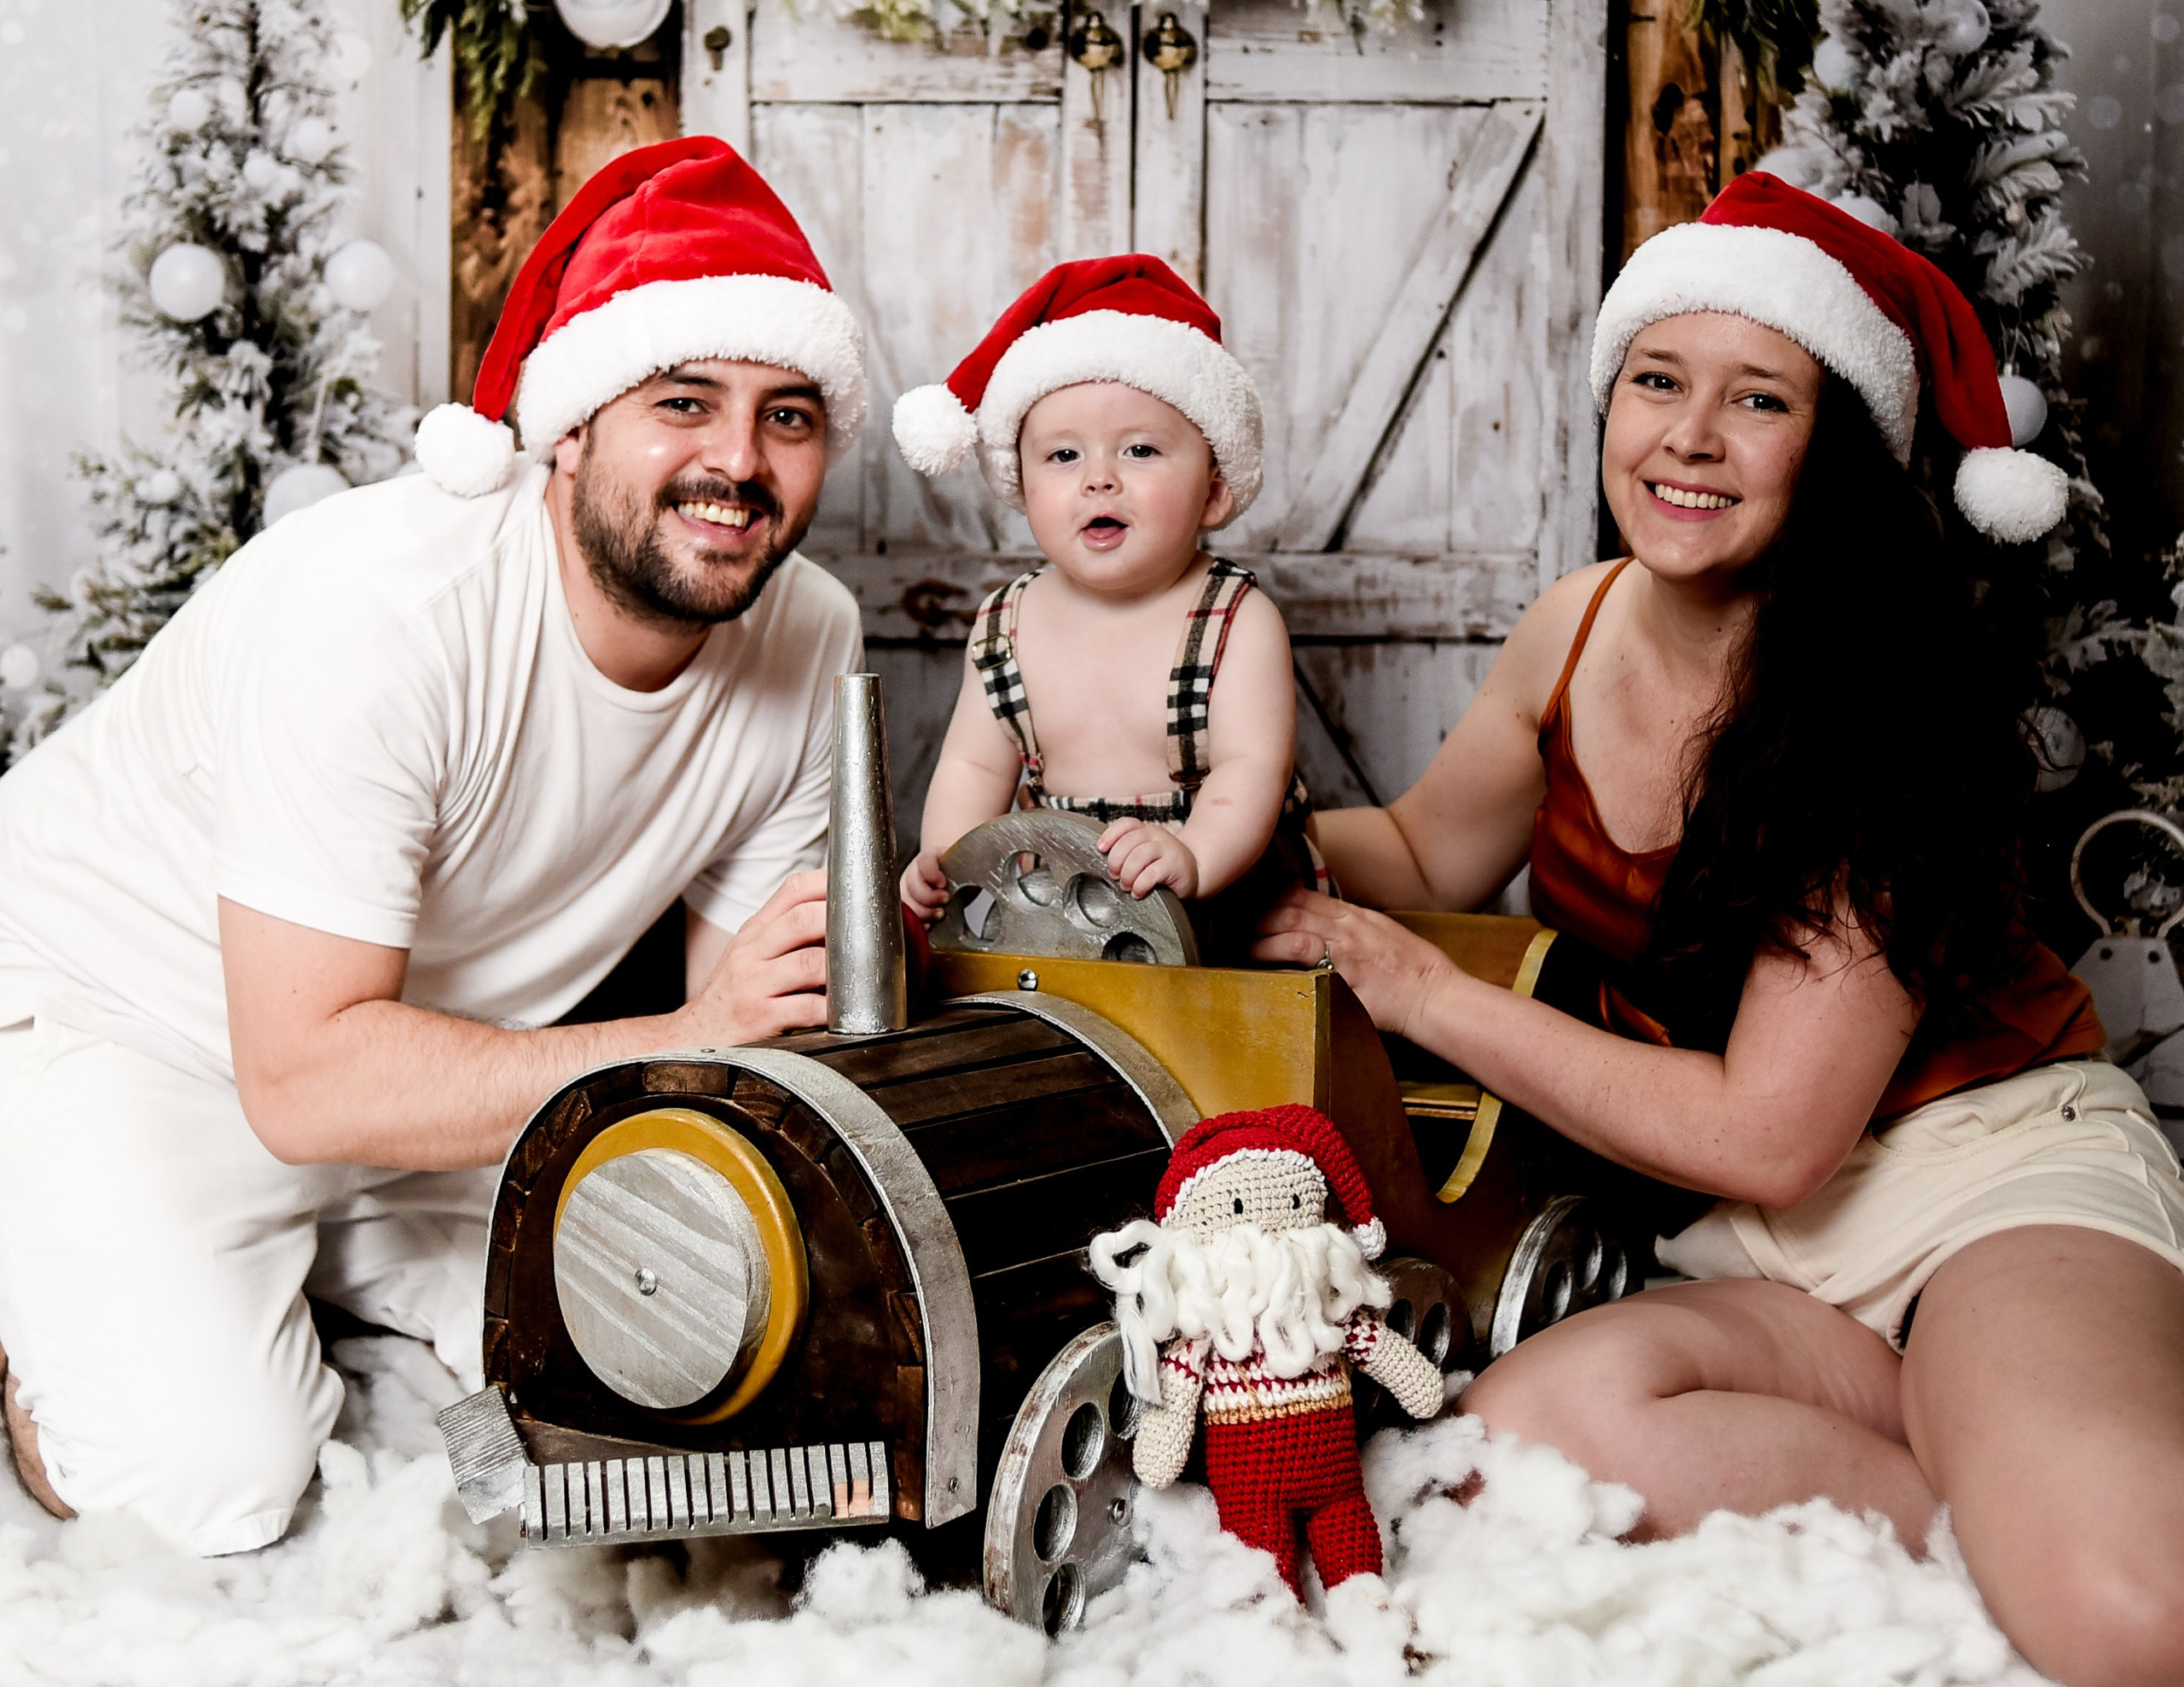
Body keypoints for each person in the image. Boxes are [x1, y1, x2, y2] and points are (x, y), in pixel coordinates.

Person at [1252, 172, 2184, 1687]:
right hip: (1756, 1254)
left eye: (1758, 399)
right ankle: (1995, 1474)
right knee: (1515, 1453)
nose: (1688, 436)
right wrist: (1219, 820)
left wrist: (1420, 989)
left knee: (2128, 1614)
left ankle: (2042, 1465)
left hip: (1982, 1187)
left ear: (1837, 453)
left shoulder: (1877, 702)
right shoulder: (1574, 625)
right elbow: (1423, 848)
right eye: (1656, 381)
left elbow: (1770, 1132)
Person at [0, 137, 870, 1556]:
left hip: (419, 1072)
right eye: (683, 402)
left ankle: (306, 1254)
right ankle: (46, 1275)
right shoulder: (383, 612)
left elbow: (744, 1030)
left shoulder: (809, 634)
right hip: (122, 1022)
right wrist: (688, 1035)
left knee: (678, 1347)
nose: (738, 461)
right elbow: (305, 1076)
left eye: (789, 415)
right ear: (572, 427)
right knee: (209, 1481)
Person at [889, 258, 1321, 956]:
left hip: (1227, 917)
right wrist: (948, 857)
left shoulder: (1235, 620)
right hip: (1065, 913)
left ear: (1214, 491)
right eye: (1063, 456)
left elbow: (1250, 769)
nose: (1099, 479)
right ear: (1020, 483)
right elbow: (974, 768)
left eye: (1140, 450)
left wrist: (1196, 855)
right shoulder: (1006, 626)